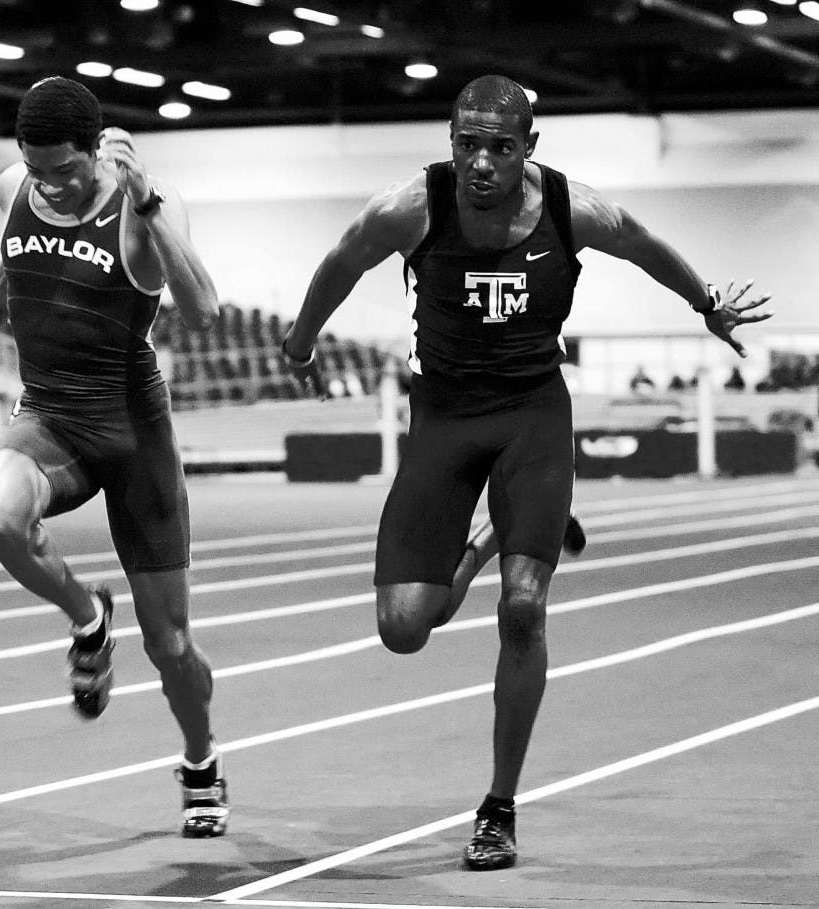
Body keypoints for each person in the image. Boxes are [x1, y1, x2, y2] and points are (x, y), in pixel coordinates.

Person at [281, 74, 773, 871]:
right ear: (450, 143)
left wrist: (706, 303)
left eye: (499, 148)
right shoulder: (412, 207)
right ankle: (487, 535)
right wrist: (301, 341)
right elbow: (344, 259)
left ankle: (498, 807)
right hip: (443, 420)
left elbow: (645, 243)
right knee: (406, 627)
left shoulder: (575, 210)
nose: (481, 163)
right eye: (466, 145)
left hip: (532, 418)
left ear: (529, 149)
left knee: (522, 610)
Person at [0, 76, 228, 838]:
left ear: (99, 149)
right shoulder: (13, 185)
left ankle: (200, 758)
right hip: (50, 414)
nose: (50, 183)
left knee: (170, 645)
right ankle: (87, 618)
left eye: (66, 170)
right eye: (37, 168)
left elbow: (205, 308)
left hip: (131, 433)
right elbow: (13, 265)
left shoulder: (146, 203)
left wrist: (147, 204)